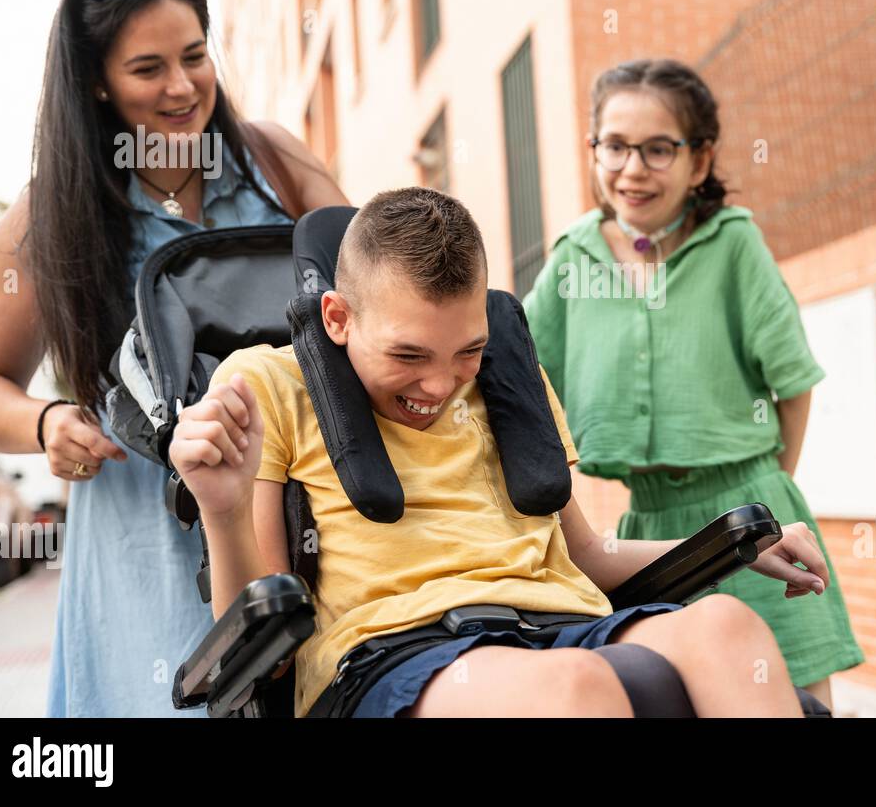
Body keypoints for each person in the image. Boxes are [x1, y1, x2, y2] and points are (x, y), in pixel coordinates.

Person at [170, 187, 830, 717]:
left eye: (467, 351)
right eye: (408, 355)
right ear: (338, 318)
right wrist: (220, 509)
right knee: (572, 688)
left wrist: (734, 546)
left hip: (561, 617)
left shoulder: (505, 373)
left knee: (726, 630)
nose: (439, 383)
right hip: (393, 652)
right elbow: (265, 644)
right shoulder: (265, 384)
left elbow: (588, 556)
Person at [0, 0, 348, 716]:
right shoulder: (52, 215)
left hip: (307, 511)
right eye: (148, 69)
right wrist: (45, 424)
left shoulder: (277, 162)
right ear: (98, 81)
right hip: (148, 527)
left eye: (195, 56)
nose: (181, 87)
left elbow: (378, 297)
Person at [522, 58, 864, 711]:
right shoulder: (573, 258)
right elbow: (519, 376)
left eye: (658, 149)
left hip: (752, 508)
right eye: (615, 146)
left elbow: (792, 386)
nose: (631, 168)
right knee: (668, 696)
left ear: (699, 162)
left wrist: (769, 488)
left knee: (791, 698)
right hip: (644, 529)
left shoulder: (733, 244)